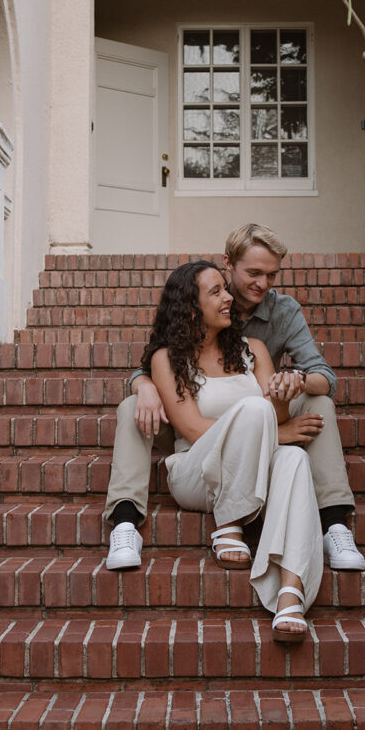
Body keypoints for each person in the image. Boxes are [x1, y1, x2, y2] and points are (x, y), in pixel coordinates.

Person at [104, 223, 364, 573]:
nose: (262, 283)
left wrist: (291, 384)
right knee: (133, 404)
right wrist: (145, 384)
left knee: (316, 406)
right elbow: (184, 407)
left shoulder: (267, 331)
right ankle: (125, 520)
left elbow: (311, 384)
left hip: (259, 424)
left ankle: (333, 523)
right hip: (201, 440)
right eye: (253, 273)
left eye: (271, 275)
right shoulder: (174, 345)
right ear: (229, 266)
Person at [140, 259, 323, 641]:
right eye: (217, 292)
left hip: (252, 472)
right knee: (260, 415)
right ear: (191, 307)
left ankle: (291, 592)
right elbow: (190, 427)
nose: (228, 298)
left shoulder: (252, 350)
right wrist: (279, 433)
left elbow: (274, 415)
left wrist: (284, 396)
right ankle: (228, 523)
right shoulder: (167, 358)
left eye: (225, 289)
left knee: (294, 459)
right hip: (196, 472)